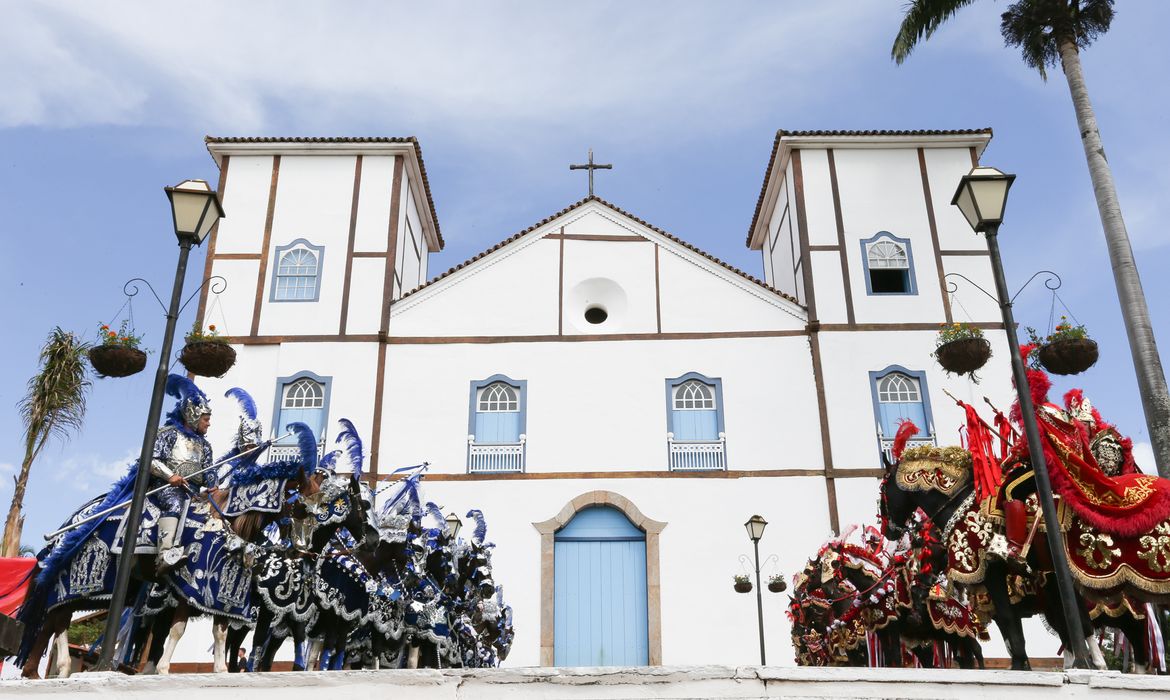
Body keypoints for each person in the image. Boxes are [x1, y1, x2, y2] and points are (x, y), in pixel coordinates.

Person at [149, 375, 215, 573]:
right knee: (175, 503)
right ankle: (165, 554)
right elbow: (152, 461)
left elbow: (209, 470)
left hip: (193, 492)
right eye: (206, 419)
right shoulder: (168, 434)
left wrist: (213, 485)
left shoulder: (205, 445)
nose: (208, 424)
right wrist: (170, 476)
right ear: (193, 415)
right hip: (167, 488)